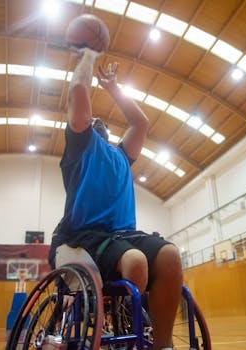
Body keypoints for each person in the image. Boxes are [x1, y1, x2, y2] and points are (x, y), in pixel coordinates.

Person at [48, 48, 183, 350]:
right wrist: (88, 55)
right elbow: (79, 93)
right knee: (135, 263)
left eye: (100, 121)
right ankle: (112, 326)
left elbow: (141, 124)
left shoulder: (121, 156)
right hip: (79, 239)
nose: (96, 120)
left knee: (170, 255)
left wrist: (112, 87)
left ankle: (163, 345)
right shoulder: (81, 148)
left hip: (121, 237)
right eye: (90, 119)